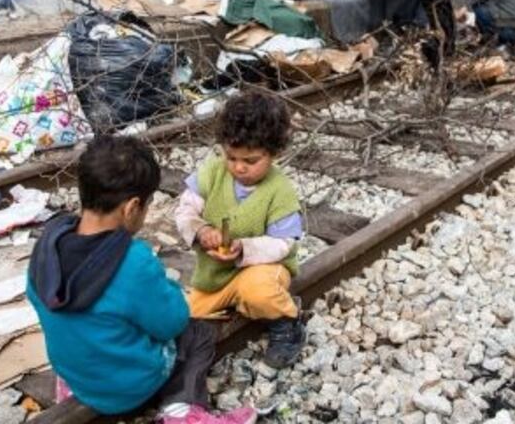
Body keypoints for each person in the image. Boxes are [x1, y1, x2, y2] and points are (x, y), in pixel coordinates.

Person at [27, 136, 256, 424]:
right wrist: (169, 289)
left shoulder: (48, 244)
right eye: (147, 207)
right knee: (198, 333)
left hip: (77, 376)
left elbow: (38, 299)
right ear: (131, 207)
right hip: (128, 388)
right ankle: (182, 410)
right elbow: (172, 321)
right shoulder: (132, 260)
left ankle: (71, 384)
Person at [175, 92, 306, 369]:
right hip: (217, 277)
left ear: (273, 153)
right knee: (183, 316)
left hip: (264, 270)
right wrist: (201, 230)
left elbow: (285, 243)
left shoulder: (280, 190)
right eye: (231, 157)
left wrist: (243, 248)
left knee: (257, 289)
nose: (238, 167)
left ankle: (287, 322)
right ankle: (243, 304)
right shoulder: (212, 172)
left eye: (250, 160)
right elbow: (184, 211)